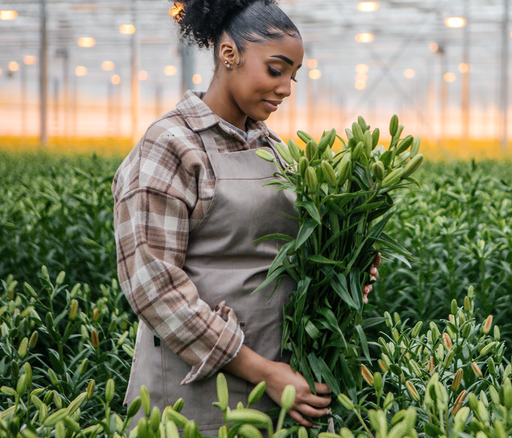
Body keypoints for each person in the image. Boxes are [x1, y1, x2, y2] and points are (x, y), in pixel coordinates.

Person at [112, 0, 379, 432]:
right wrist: (262, 372)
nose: (287, 88)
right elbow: (152, 285)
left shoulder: (275, 149)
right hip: (198, 392)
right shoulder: (171, 144)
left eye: (293, 76)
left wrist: (348, 272)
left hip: (285, 386)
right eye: (276, 70)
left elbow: (294, 260)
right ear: (228, 54)